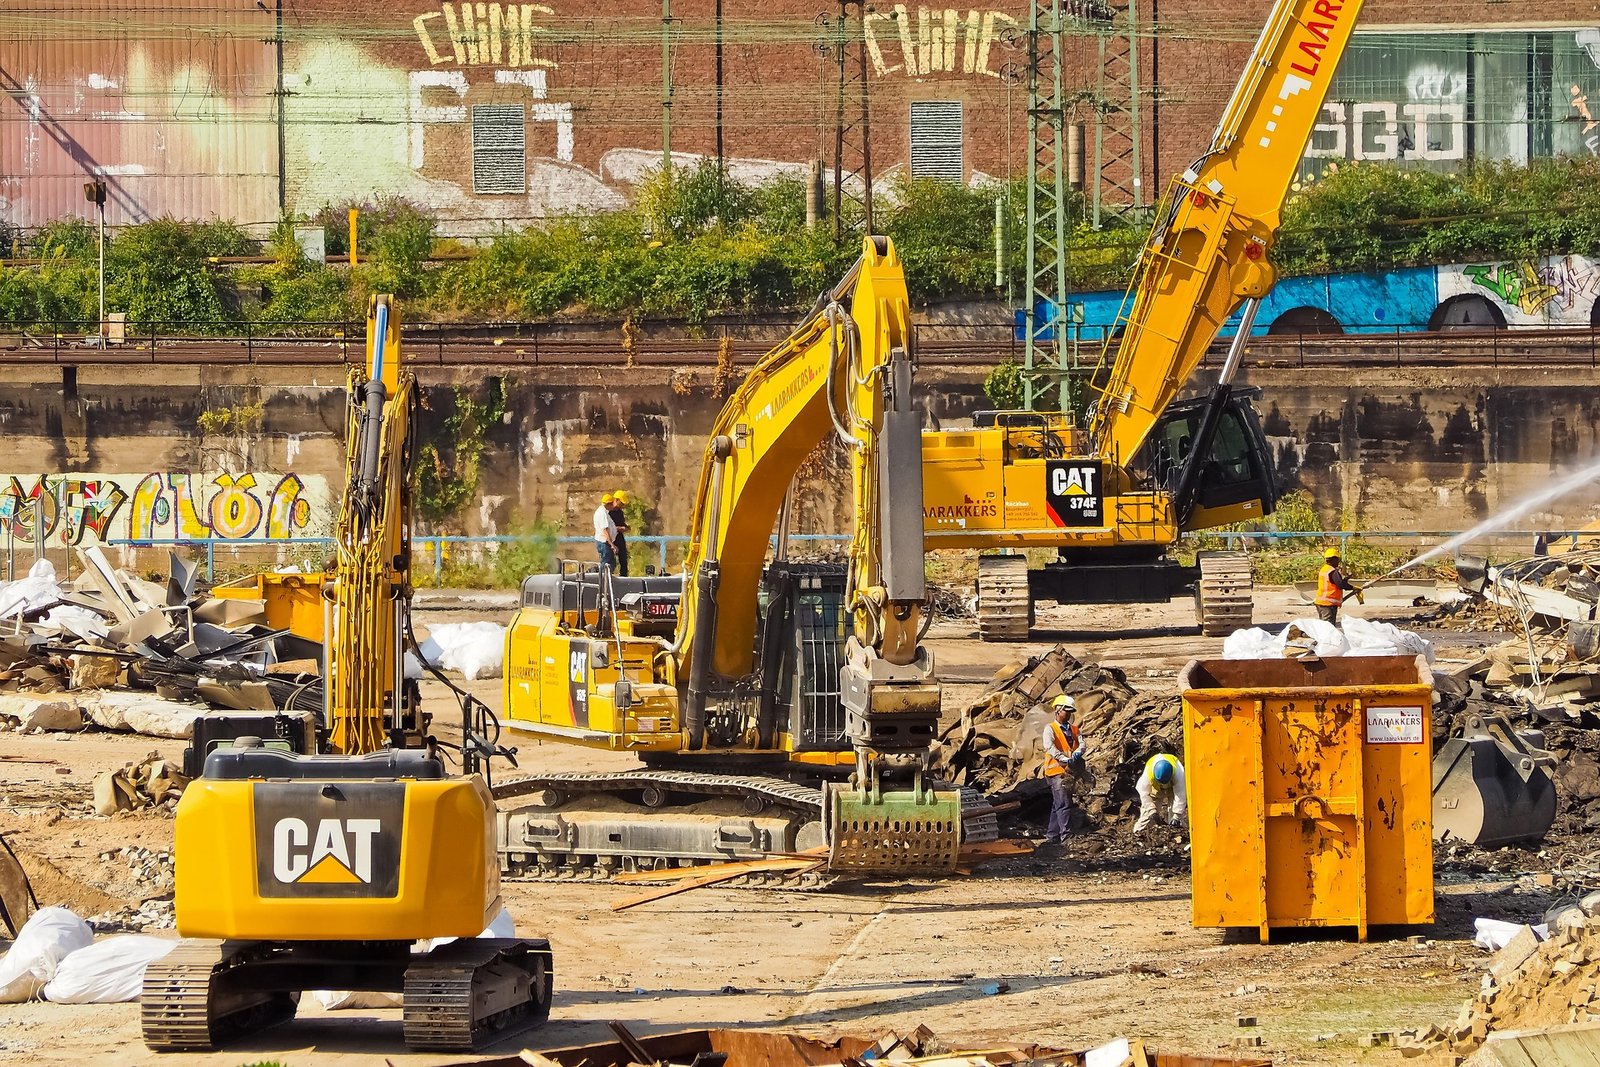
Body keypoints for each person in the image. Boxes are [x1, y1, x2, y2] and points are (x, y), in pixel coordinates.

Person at [1041, 694, 1084, 845]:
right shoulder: (1050, 729)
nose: (1068, 715)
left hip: (1068, 772)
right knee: (1064, 804)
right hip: (1056, 772)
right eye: (1066, 711)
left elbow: (1081, 744)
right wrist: (1064, 759)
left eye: (1070, 712)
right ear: (1058, 710)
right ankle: (1066, 836)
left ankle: (1052, 835)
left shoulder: (1073, 729)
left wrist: (1078, 753)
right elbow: (1049, 747)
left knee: (1057, 804)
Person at [1134, 754, 1187, 834]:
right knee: (1147, 817)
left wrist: (1177, 815)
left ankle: (1178, 836)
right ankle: (1137, 834)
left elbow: (1180, 794)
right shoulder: (1148, 774)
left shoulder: (1178, 771)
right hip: (1155, 789)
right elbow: (1143, 793)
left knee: (1177, 820)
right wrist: (1152, 810)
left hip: (1172, 788)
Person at [1313, 547, 1362, 624]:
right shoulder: (1332, 571)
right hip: (1328, 604)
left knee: (1323, 625)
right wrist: (1353, 587)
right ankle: (1305, 634)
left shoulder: (1324, 569)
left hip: (1322, 602)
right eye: (1337, 560)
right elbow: (1341, 584)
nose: (1338, 562)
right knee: (1327, 626)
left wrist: (1346, 579)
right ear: (1333, 559)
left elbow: (1337, 582)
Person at [609, 490, 631, 577]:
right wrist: (619, 528)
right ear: (616, 500)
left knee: (623, 559)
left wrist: (626, 527)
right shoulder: (609, 512)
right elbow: (607, 527)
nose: (622, 505)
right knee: (610, 560)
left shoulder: (620, 512)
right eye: (621, 503)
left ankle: (624, 576)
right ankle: (609, 577)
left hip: (619, 537)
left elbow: (622, 523)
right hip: (611, 538)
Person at [594, 493, 618, 570]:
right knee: (606, 565)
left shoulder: (602, 512)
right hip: (604, 543)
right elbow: (605, 530)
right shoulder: (602, 513)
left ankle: (605, 579)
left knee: (611, 563)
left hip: (604, 542)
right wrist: (612, 544)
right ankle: (603, 580)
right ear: (608, 504)